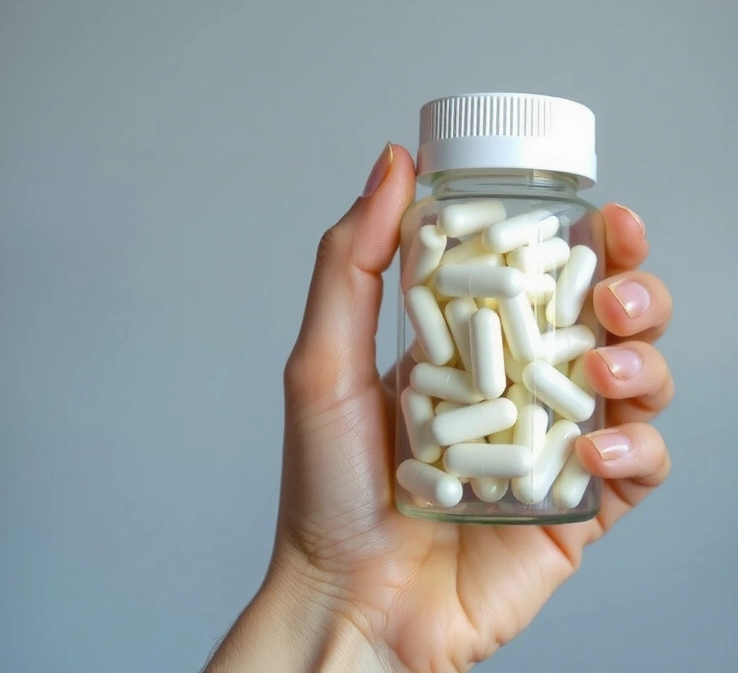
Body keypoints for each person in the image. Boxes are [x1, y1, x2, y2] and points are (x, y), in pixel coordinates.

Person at [204, 144, 675, 672]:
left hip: (491, 490)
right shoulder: (454, 224)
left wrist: (363, 634)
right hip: (433, 505)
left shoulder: (537, 226)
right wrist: (338, 598)